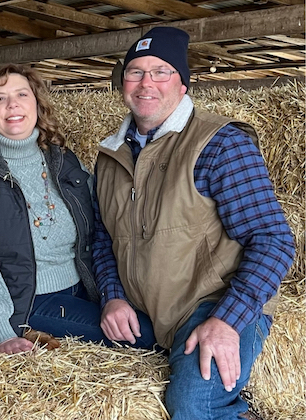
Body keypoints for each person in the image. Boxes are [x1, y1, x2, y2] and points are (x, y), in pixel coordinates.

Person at [93, 27, 295, 419]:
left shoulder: (219, 144)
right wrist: (112, 294)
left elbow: (272, 241)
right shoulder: (110, 155)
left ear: (182, 84)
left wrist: (227, 320)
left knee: (193, 405)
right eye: (135, 72)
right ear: (122, 84)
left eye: (160, 71)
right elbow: (102, 237)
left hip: (211, 304)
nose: (146, 82)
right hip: (147, 309)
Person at [0, 64, 153, 355]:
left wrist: (114, 293)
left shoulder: (64, 162)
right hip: (30, 302)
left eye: (21, 94)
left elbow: (106, 225)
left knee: (162, 317)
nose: (12, 104)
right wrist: (1, 331)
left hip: (85, 285)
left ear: (37, 105)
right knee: (146, 334)